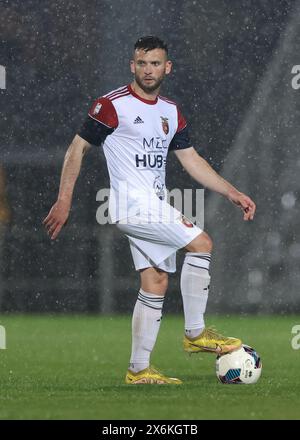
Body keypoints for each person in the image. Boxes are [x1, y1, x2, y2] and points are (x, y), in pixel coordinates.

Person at [43, 36, 256, 385]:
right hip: (132, 204)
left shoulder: (170, 112)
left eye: (155, 63)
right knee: (202, 243)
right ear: (132, 65)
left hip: (153, 205)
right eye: (142, 63)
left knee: (155, 281)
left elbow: (191, 160)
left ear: (167, 67)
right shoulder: (111, 105)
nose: (148, 70)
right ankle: (196, 333)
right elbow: (76, 149)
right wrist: (64, 198)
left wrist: (231, 191)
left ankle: (138, 370)